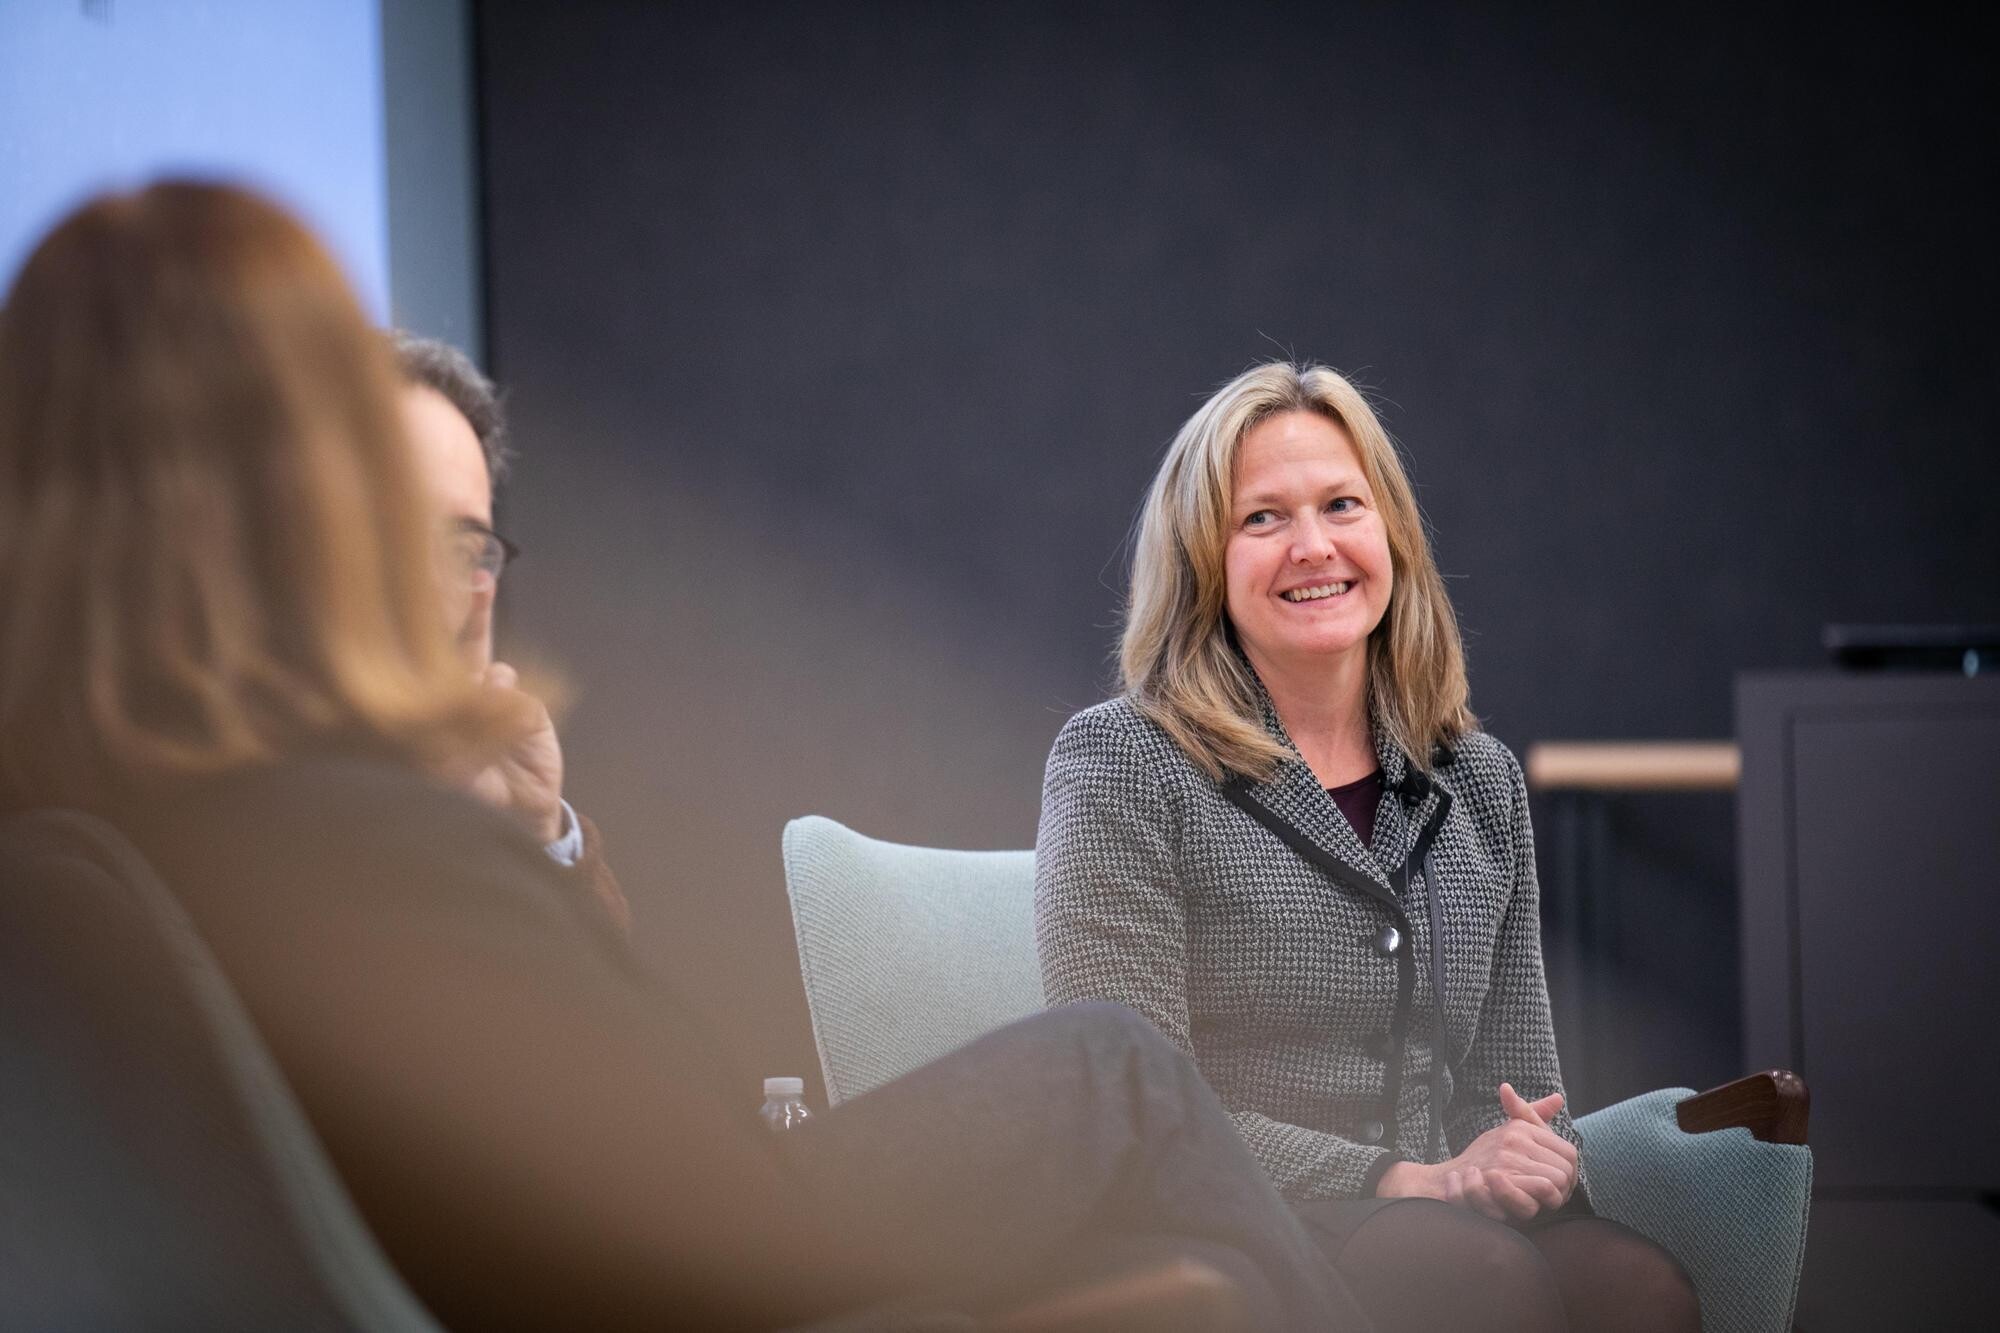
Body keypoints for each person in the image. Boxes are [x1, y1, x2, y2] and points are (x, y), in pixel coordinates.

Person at [0, 183, 1373, 1331]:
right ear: (294, 488)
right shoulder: (345, 829)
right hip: (680, 1272)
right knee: (1121, 1066)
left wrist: (526, 843)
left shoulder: (100, 824)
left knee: (1222, 1269)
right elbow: (674, 1151)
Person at [1034, 362, 1699, 1332]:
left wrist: (1520, 1153)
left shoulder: (1476, 779)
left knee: (1639, 1289)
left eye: (1340, 504)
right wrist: (1403, 1178)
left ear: (1388, 532)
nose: (1312, 546)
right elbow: (1135, 1107)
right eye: (1260, 518)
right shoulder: (1122, 760)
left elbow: (1508, 1088)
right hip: (1224, 1214)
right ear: (1200, 561)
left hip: (1436, 1211)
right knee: (1475, 1279)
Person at [389, 331, 629, 930]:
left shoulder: (476, 789)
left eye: (460, 545)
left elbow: (613, 1020)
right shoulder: (217, 804)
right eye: (396, 524)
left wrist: (534, 836)